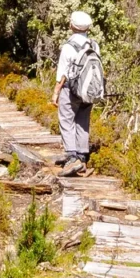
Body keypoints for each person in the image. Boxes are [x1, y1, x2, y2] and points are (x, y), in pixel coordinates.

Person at [51, 10, 95, 177]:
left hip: (71, 90)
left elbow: (62, 74)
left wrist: (56, 93)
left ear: (72, 26)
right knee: (83, 122)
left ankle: (71, 158)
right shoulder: (93, 45)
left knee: (66, 120)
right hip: (88, 91)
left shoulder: (69, 46)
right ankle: (82, 159)